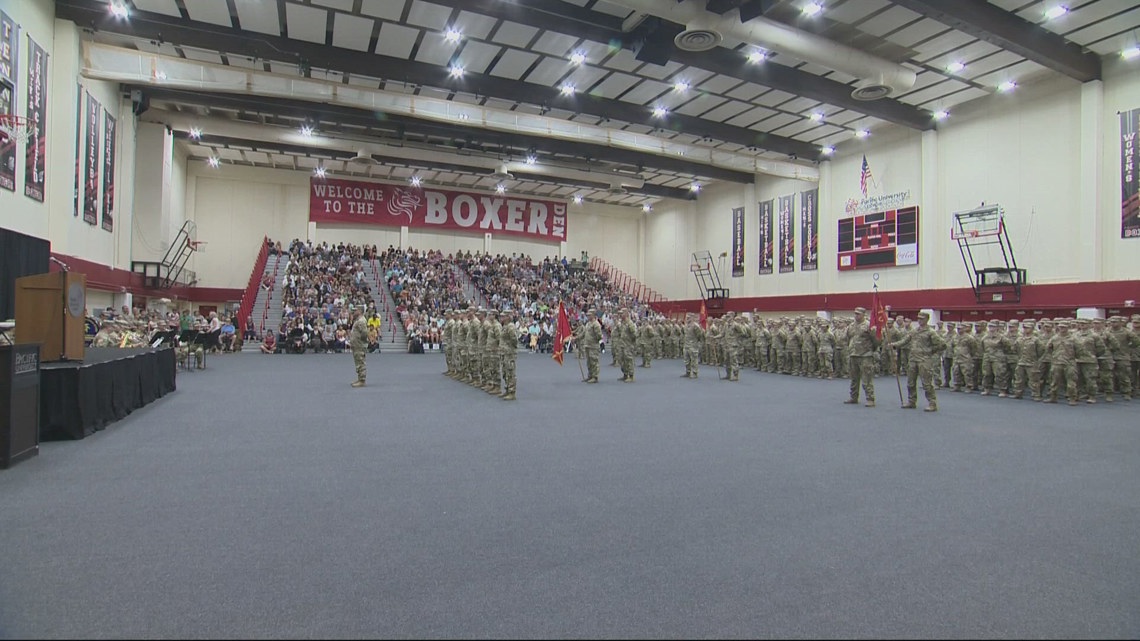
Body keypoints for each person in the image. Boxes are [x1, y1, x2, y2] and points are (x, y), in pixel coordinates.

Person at [890, 311, 945, 411]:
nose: (919, 320)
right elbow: (905, 340)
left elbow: (942, 344)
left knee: (927, 383)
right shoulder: (914, 331)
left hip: (924, 360)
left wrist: (931, 351)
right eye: (918, 318)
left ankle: (932, 403)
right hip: (913, 359)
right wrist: (894, 344)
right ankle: (911, 401)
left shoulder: (930, 332)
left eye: (922, 319)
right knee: (910, 382)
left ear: (926, 320)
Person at [844, 306, 880, 407]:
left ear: (864, 315)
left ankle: (870, 398)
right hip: (853, 354)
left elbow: (876, 340)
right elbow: (848, 338)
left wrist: (871, 350)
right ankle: (853, 397)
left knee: (866, 378)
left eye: (858, 314)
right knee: (854, 378)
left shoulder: (869, 325)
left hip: (865, 355)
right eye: (855, 313)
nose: (856, 315)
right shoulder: (851, 326)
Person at [497, 311, 519, 400]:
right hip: (504, 353)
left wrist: (511, 349)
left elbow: (514, 339)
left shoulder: (510, 327)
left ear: (508, 317)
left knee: (510, 372)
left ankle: (512, 392)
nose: (501, 318)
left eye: (503, 316)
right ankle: (507, 390)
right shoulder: (505, 326)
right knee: (505, 372)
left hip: (509, 353)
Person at [580, 308, 603, 384]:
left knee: (594, 362)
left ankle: (595, 377)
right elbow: (584, 333)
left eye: (589, 315)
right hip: (587, 345)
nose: (588, 316)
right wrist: (576, 337)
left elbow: (599, 336)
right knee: (589, 362)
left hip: (593, 346)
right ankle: (590, 375)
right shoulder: (588, 323)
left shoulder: (596, 324)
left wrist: (594, 341)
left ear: (593, 315)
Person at [349, 308, 369, 388]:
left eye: (355, 310)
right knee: (358, 361)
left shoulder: (361, 321)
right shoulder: (358, 320)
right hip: (356, 345)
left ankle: (362, 380)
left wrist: (361, 342)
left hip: (359, 345)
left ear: (360, 311)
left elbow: (364, 334)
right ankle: (359, 378)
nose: (353, 312)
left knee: (360, 362)